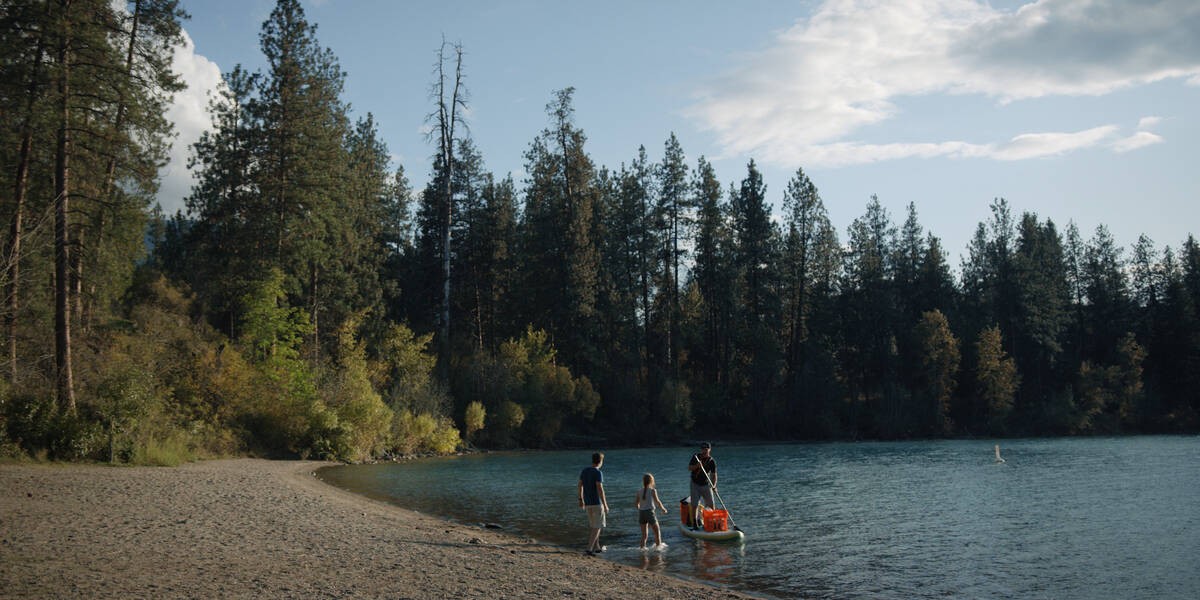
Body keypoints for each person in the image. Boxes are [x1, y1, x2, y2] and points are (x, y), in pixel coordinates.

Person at [577, 452, 609, 555]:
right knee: (597, 526)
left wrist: (581, 499)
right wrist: (605, 504)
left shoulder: (585, 471)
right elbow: (600, 489)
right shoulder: (598, 472)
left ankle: (597, 547)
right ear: (600, 461)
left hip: (587, 503)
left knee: (594, 526)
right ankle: (589, 548)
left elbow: (580, 485)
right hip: (596, 503)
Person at [634, 473, 669, 550]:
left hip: (642, 514)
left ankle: (642, 550)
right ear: (651, 481)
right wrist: (663, 509)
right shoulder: (653, 490)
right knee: (657, 533)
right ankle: (658, 550)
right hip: (650, 513)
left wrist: (641, 508)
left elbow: (636, 504)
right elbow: (658, 502)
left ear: (643, 481)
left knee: (644, 535)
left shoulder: (639, 491)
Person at [687, 442, 717, 530]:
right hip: (695, 484)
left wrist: (714, 485)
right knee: (695, 504)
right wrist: (697, 465)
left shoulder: (711, 461)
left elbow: (714, 474)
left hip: (706, 485)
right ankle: (695, 524)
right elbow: (689, 468)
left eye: (706, 449)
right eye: (703, 449)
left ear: (709, 450)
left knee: (711, 505)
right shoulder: (696, 457)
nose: (704, 451)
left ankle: (711, 522)